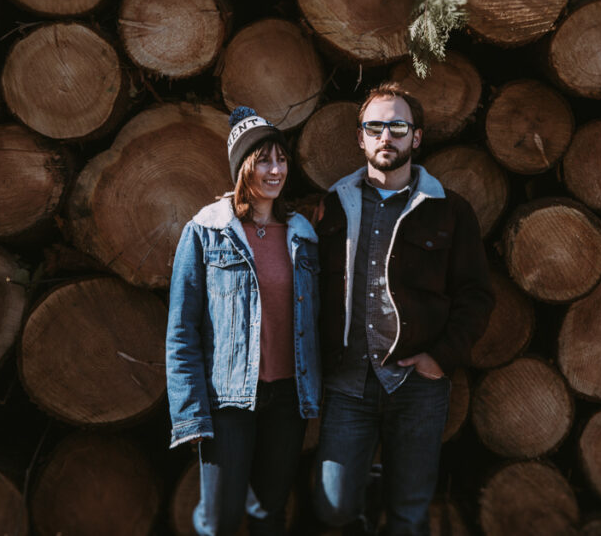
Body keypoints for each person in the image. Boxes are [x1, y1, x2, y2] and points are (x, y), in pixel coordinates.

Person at [312, 83, 493, 534]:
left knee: (409, 512)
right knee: (334, 507)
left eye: (398, 126)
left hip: (417, 388)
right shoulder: (331, 207)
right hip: (347, 385)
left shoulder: (449, 211)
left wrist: (442, 358)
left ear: (416, 137)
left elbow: (475, 294)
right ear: (360, 138)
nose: (385, 136)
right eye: (375, 126)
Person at [167, 106, 321, 536]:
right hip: (229, 400)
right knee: (219, 519)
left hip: (289, 399)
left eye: (281, 159)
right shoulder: (205, 232)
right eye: (263, 161)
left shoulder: (303, 235)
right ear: (242, 169)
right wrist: (191, 414)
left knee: (268, 513)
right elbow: (182, 332)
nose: (276, 170)